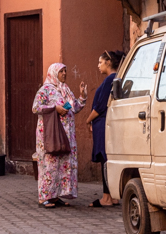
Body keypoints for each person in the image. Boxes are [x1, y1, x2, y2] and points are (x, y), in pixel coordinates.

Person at [32, 63, 88, 208]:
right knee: (49, 164)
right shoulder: (45, 90)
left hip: (66, 136)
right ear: (53, 73)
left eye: (65, 71)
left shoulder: (66, 89)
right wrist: (54, 108)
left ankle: (56, 196)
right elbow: (36, 107)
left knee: (62, 164)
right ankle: (44, 197)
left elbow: (74, 108)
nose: (64, 74)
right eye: (61, 71)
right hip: (50, 134)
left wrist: (82, 97)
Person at [85, 50, 125, 207]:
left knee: (105, 159)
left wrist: (88, 120)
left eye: (100, 62)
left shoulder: (110, 79)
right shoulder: (116, 79)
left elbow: (101, 105)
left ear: (108, 63)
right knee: (108, 159)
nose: (98, 66)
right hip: (108, 123)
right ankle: (112, 196)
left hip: (103, 124)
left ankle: (107, 197)